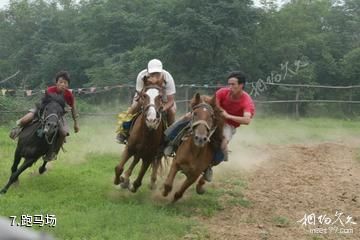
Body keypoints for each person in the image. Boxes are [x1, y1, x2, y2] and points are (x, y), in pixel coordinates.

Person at [164, 71, 255, 182]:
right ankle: (171, 143)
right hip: (214, 117)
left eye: (233, 84)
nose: (230, 87)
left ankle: (208, 166)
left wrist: (228, 116)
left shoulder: (247, 101)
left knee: (223, 144)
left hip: (228, 124)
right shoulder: (222, 92)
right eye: (229, 84)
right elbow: (211, 105)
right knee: (185, 119)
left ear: (241, 85)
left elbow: (247, 120)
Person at [9, 71, 80, 160]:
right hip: (44, 110)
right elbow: (43, 103)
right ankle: (17, 130)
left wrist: (76, 123)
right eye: (60, 82)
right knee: (25, 119)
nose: (62, 84)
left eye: (65, 83)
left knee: (63, 133)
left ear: (67, 85)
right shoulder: (50, 90)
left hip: (58, 116)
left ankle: (53, 153)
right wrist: (39, 113)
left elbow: (73, 108)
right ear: (56, 82)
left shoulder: (69, 95)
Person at [116, 59, 176, 144]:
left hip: (164, 100)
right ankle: (124, 132)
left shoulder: (168, 77)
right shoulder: (141, 76)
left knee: (172, 111)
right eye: (152, 73)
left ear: (161, 71)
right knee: (134, 107)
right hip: (144, 98)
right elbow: (139, 95)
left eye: (157, 73)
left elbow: (171, 100)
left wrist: (163, 108)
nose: (154, 75)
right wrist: (148, 104)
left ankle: (170, 136)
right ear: (148, 71)